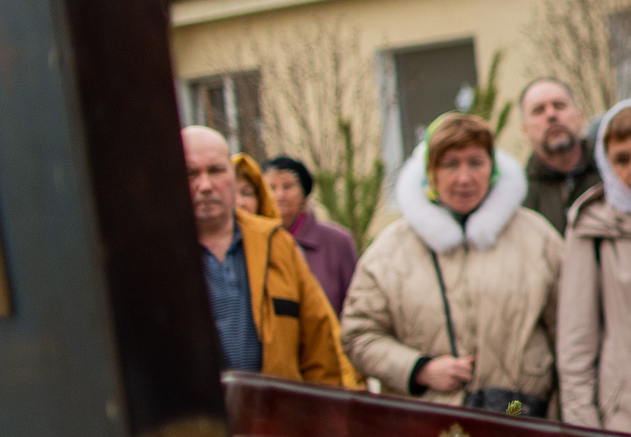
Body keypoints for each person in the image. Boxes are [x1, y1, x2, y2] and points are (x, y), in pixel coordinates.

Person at [341, 112, 561, 413]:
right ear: (430, 172)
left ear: (493, 167)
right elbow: (358, 335)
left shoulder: (539, 239)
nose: (464, 178)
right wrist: (419, 369)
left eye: (476, 162)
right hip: (426, 430)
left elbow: (569, 336)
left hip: (522, 424)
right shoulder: (389, 252)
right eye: (450, 164)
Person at [182, 126, 358, 389]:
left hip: (279, 423)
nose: (205, 185)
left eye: (216, 170)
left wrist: (325, 421)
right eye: (191, 173)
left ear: (233, 174)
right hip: (193, 426)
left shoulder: (277, 244)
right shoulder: (155, 256)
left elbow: (320, 349)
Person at [558, 99, 631, 436]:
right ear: (604, 164)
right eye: (622, 159)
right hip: (628, 414)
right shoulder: (592, 229)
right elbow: (576, 346)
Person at [260, 154, 360, 315]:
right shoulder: (255, 243)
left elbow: (357, 304)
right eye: (272, 187)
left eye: (287, 186)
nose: (279, 195)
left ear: (304, 193)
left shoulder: (337, 241)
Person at [519, 78, 601, 236]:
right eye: (538, 110)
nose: (551, 115)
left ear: (580, 117)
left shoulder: (612, 176)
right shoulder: (520, 197)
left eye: (559, 105)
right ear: (525, 130)